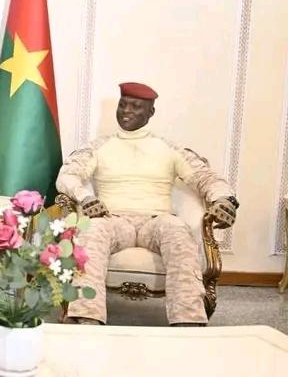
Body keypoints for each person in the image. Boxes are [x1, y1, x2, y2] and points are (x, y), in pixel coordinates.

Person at [56, 82, 239, 326]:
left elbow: (206, 178)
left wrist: (223, 199)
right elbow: (67, 176)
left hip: (156, 221)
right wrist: (85, 197)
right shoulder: (97, 147)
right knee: (94, 229)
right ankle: (85, 319)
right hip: (114, 220)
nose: (126, 111)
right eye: (123, 105)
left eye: (135, 106)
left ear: (151, 112)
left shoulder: (170, 148)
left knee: (178, 231)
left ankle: (188, 323)